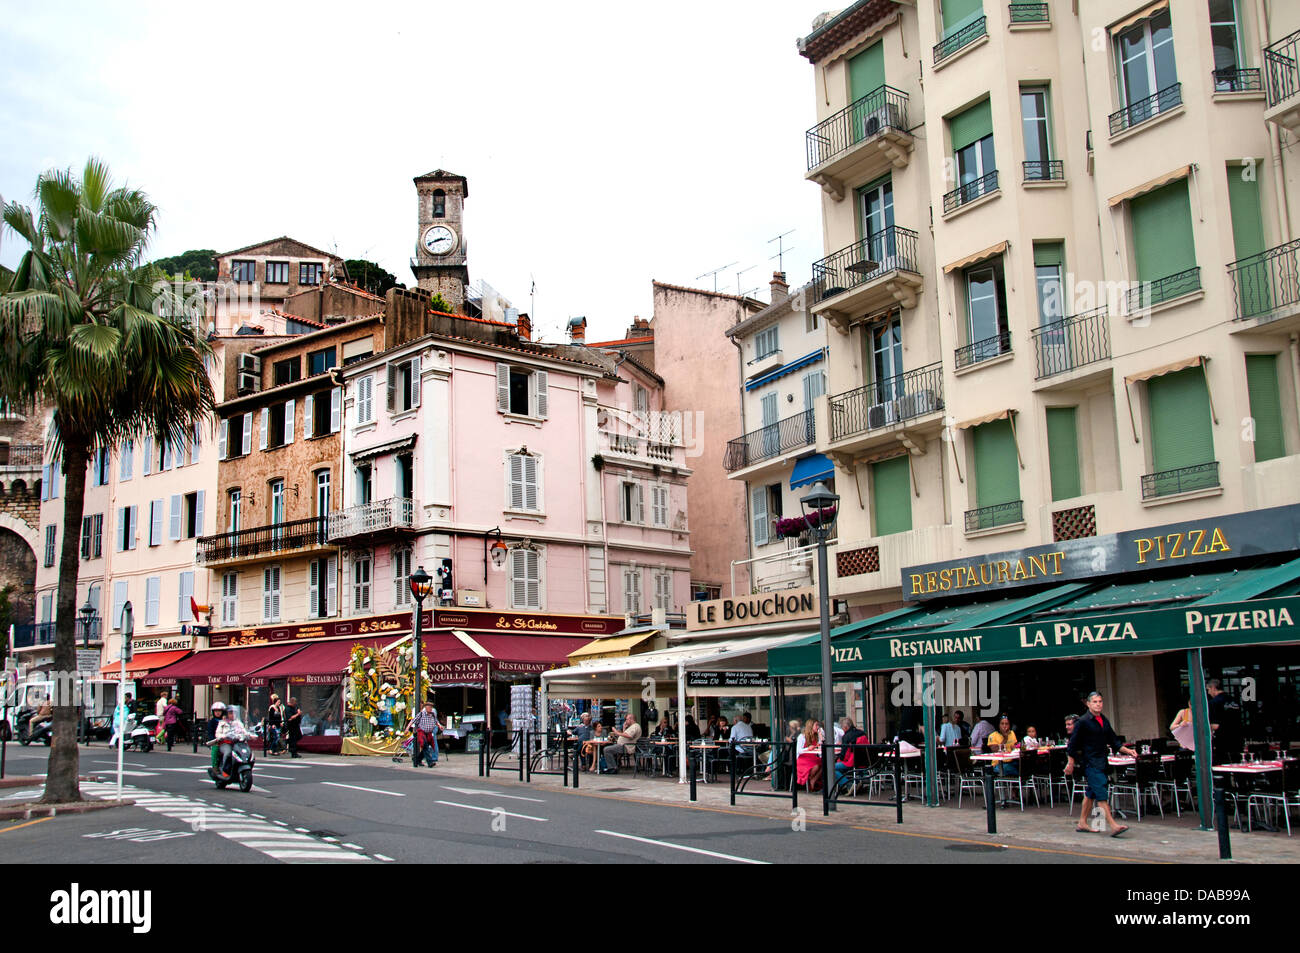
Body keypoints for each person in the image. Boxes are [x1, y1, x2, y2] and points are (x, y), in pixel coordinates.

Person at [1065, 691, 1136, 837]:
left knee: (1091, 793)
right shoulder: (1083, 721)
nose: (1098, 704)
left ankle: (1082, 823)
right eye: (1095, 702)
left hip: (1102, 761)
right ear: (1088, 704)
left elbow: (1114, 741)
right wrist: (1070, 763)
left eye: (1100, 701)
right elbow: (1072, 745)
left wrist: (1128, 751)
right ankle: (1113, 825)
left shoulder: (1103, 720)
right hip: (1090, 763)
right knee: (1101, 794)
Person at [1206, 678, 1242, 764]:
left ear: (1213, 688)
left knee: (1223, 767)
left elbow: (1215, 725)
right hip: (1237, 739)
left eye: (1208, 689)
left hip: (1223, 741)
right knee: (1238, 765)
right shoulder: (1234, 701)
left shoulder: (1213, 703)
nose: (1208, 692)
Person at [212, 706, 250, 779]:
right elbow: (217, 734)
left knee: (245, 753)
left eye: (234, 713)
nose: (232, 715)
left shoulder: (238, 723)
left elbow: (244, 731)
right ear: (227, 714)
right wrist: (223, 736)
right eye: (230, 713)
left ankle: (240, 766)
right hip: (226, 743)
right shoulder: (222, 723)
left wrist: (249, 735)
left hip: (237, 743)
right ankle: (225, 771)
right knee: (228, 753)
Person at [795, 719, 825, 790]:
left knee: (824, 763)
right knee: (816, 766)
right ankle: (809, 780)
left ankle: (813, 780)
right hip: (803, 759)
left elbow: (821, 746)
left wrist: (821, 737)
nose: (817, 727)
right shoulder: (802, 736)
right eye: (816, 725)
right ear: (811, 726)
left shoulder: (816, 736)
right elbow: (798, 751)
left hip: (812, 757)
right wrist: (808, 748)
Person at [411, 701, 443, 768]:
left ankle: (417, 760)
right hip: (421, 732)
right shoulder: (421, 714)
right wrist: (407, 728)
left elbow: (436, 721)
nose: (430, 709)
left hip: (429, 733)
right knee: (425, 746)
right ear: (426, 707)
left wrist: (440, 726)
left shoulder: (433, 714)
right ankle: (430, 762)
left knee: (426, 748)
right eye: (429, 707)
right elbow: (413, 721)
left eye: (431, 707)